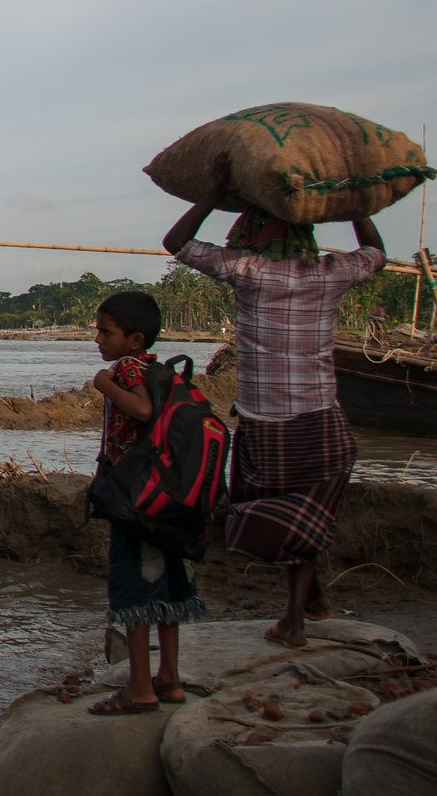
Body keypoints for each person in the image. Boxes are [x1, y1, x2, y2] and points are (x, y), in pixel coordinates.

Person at [164, 153, 385, 649]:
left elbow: (177, 243)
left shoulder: (248, 271)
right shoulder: (331, 273)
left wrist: (213, 194)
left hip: (267, 424)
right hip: (321, 419)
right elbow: (375, 252)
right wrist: (356, 206)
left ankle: (294, 622)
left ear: (258, 236)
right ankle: (313, 600)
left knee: (279, 516)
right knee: (300, 513)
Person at [84, 290, 201, 715]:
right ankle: (168, 677)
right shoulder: (159, 369)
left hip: (135, 499)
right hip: (164, 496)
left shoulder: (128, 367)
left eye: (105, 332)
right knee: (168, 590)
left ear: (134, 340)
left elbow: (143, 411)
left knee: (135, 590)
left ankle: (138, 687)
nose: (98, 339)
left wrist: (104, 384)